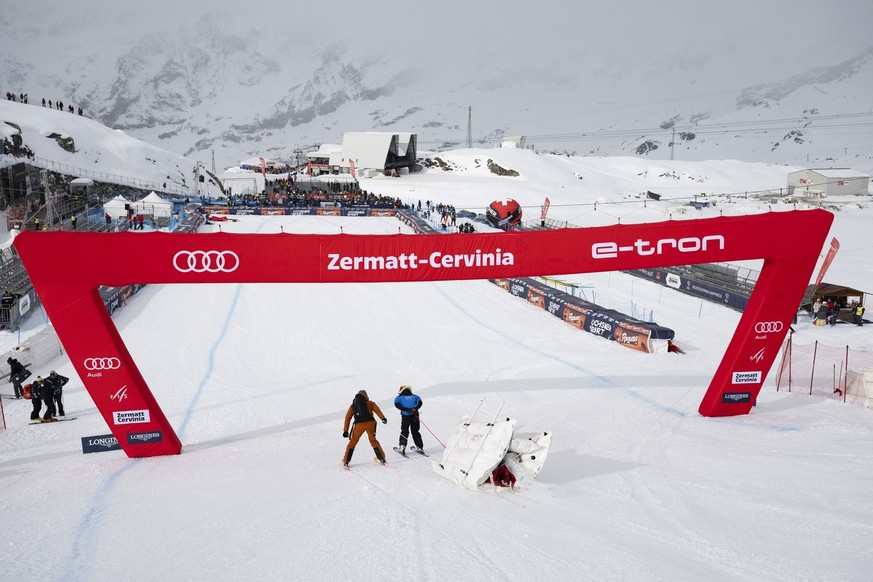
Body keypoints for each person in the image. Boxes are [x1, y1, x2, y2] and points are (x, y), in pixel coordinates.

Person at [342, 390, 387, 467]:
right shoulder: (370, 403)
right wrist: (383, 418)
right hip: (370, 424)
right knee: (373, 440)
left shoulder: (353, 405)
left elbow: (347, 418)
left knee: (353, 441)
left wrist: (345, 430)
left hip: (359, 425)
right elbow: (377, 410)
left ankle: (346, 460)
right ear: (366, 396)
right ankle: (381, 458)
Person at [394, 385, 424, 455]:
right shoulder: (416, 397)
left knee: (404, 431)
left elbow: (397, 405)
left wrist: (406, 409)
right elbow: (420, 403)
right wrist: (415, 408)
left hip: (405, 416)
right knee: (415, 431)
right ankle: (420, 447)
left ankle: (402, 447)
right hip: (415, 416)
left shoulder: (399, 398)